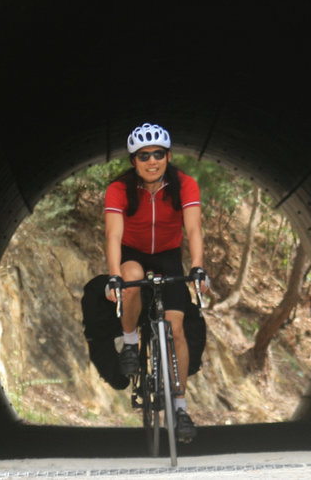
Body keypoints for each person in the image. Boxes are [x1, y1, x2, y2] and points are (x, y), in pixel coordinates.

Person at [103, 122, 208, 443]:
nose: (152, 161)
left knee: (176, 329)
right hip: (133, 253)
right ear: (133, 161)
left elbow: (193, 230)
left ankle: (180, 407)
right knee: (131, 277)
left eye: (158, 154)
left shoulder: (184, 184)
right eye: (144, 155)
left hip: (168, 255)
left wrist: (199, 268)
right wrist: (113, 275)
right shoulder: (119, 189)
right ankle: (131, 342)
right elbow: (113, 234)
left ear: (168, 156)